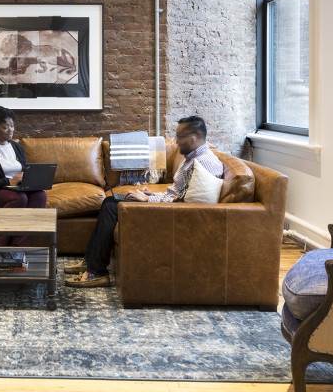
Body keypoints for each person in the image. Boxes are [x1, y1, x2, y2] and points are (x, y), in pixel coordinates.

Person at [64, 115, 224, 288]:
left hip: (173, 214)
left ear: (197, 135)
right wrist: (152, 193)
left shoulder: (205, 163)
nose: (176, 141)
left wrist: (148, 199)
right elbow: (179, 193)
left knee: (111, 206)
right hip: (168, 206)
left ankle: (96, 273)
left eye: (181, 136)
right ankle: (91, 262)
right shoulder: (192, 158)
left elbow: (185, 202)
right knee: (110, 202)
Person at [0, 105, 47, 246]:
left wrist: (31, 180)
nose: (11, 130)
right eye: (6, 127)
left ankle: (19, 247)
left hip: (19, 188)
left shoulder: (16, 147)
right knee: (19, 198)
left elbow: (25, 170)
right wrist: (8, 181)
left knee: (40, 196)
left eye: (12, 126)